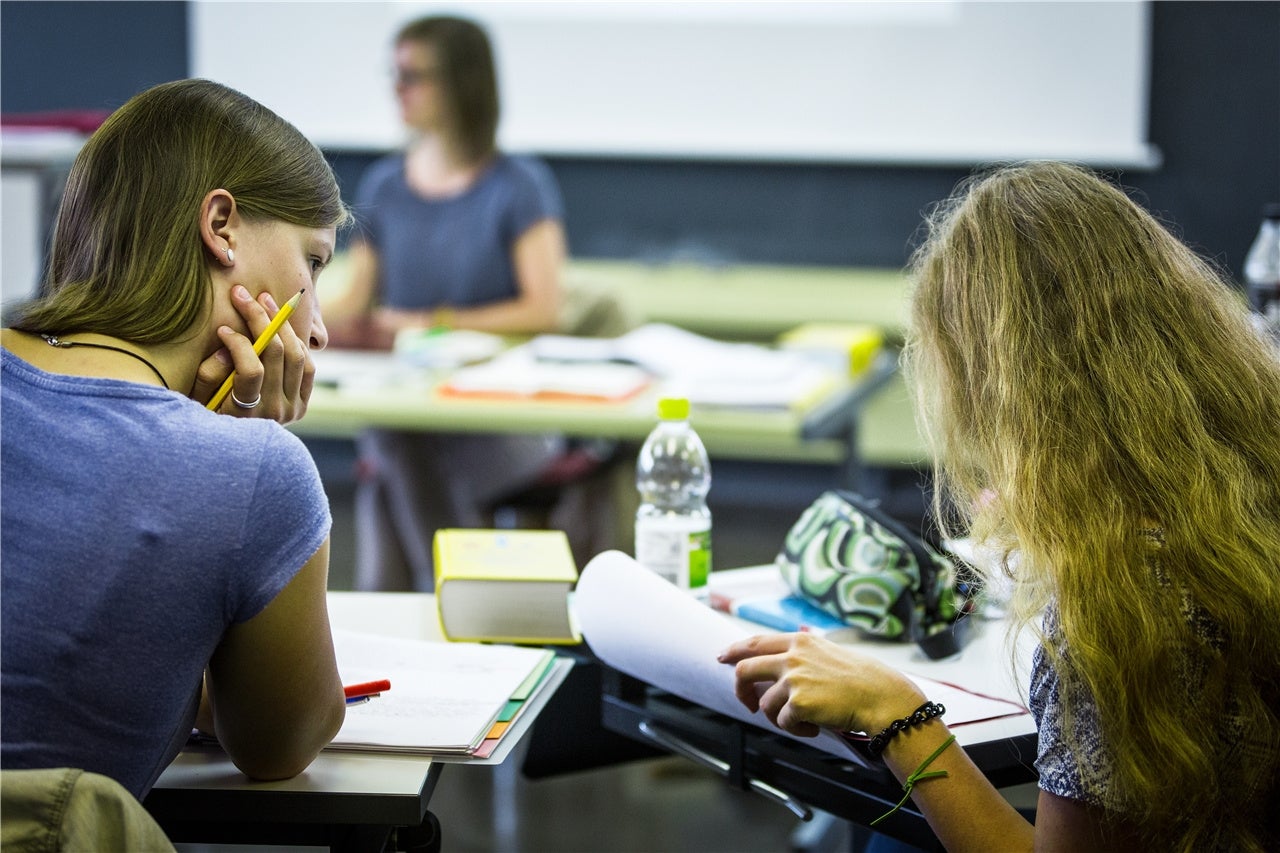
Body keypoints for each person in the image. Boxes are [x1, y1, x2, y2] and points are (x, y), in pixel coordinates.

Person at [719, 162, 1280, 852]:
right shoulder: (1248, 465)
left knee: (884, 832)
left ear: (1006, 387)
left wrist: (897, 712)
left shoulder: (1120, 599)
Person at [0, 78, 349, 801]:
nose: (316, 327)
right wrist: (234, 451)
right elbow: (277, 743)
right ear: (220, 225)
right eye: (312, 263)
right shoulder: (252, 471)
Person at [325, 14, 572, 591]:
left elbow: (545, 309)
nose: (398, 89)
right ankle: (458, 599)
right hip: (415, 409)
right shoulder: (386, 185)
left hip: (503, 419)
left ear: (461, 82)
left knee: (391, 453)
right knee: (395, 441)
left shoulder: (519, 185)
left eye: (413, 75)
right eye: (395, 73)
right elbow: (355, 296)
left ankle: (422, 601)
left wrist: (428, 323)